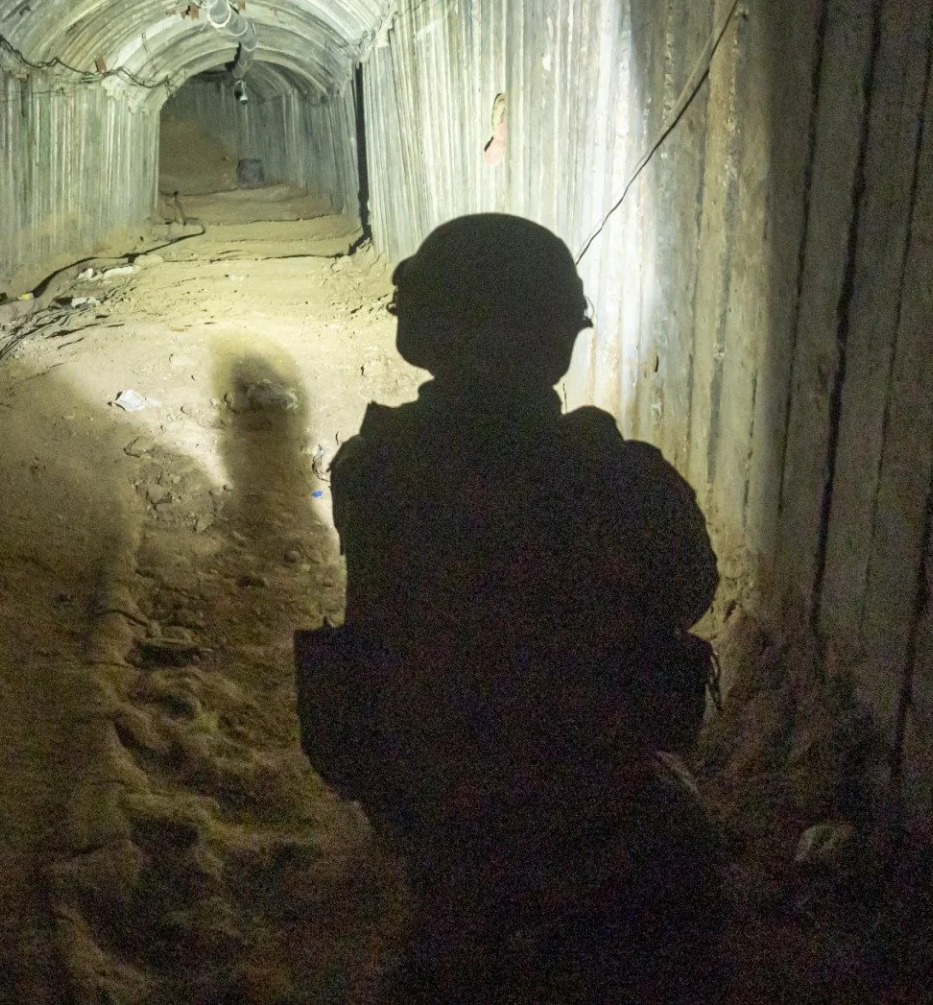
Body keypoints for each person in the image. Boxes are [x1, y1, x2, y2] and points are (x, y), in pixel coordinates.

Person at [303, 214, 721, 1003]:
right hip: (585, 803)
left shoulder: (369, 468)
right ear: (557, 339)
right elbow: (688, 591)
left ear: (421, 334)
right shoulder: (620, 480)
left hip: (419, 794)